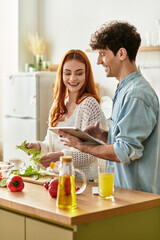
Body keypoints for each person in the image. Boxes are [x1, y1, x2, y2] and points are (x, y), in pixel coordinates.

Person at [59, 21, 160, 194]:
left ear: (121, 53)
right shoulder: (124, 89)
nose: (98, 61)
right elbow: (127, 141)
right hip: (126, 194)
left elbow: (124, 151)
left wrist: (81, 146)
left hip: (138, 198)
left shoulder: (136, 94)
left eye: (102, 54)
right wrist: (104, 136)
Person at [26, 49, 106, 181]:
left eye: (79, 73)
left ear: (86, 75)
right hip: (55, 178)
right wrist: (38, 147)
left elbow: (94, 151)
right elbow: (50, 144)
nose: (73, 78)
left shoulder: (89, 105)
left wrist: (60, 156)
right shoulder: (57, 106)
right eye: (67, 73)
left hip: (82, 181)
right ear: (61, 75)